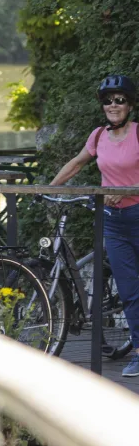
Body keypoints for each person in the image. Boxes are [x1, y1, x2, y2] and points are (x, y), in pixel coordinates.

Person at [49, 74, 139, 377]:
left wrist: (127, 191)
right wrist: (48, 189)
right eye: (107, 101)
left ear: (129, 104)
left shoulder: (138, 134)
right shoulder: (99, 136)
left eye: (119, 100)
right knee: (129, 291)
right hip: (113, 223)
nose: (113, 105)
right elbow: (76, 163)